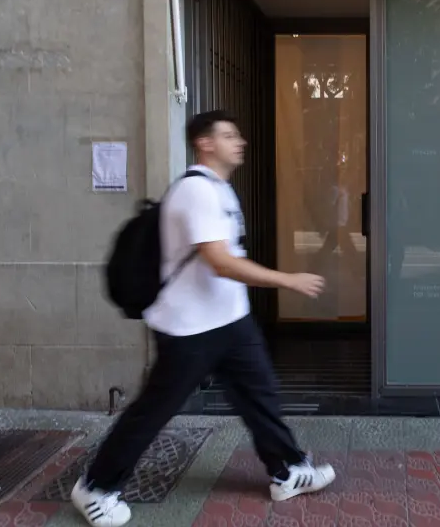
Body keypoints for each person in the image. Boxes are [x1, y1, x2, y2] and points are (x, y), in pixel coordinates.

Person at [71, 110, 335, 527]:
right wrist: (287, 280)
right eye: (229, 135)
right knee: (154, 410)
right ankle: (95, 487)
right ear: (205, 143)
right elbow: (220, 262)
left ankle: (287, 471)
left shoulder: (220, 189)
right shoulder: (195, 191)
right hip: (189, 329)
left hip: (230, 321)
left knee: (260, 397)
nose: (240, 142)